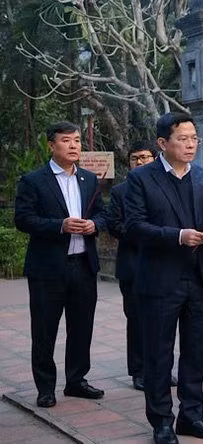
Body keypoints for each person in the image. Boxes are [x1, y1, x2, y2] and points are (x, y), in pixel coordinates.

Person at [125, 112, 203, 444]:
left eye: (194, 138)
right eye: (183, 139)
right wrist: (177, 236)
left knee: (197, 351)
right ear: (162, 143)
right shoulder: (142, 179)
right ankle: (161, 422)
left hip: (200, 277)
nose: (190, 145)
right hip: (160, 279)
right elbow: (134, 227)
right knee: (159, 354)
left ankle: (191, 415)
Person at [14, 121, 107, 409]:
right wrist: (60, 226)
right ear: (52, 145)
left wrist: (94, 224)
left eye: (77, 140)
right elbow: (23, 219)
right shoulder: (34, 180)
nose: (74, 146)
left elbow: (104, 215)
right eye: (66, 141)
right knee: (44, 330)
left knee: (82, 327)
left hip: (83, 265)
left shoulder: (89, 179)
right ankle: (45, 387)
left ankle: (76, 381)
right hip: (48, 268)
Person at [106, 141, 162, 391]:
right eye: (135, 158)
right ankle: (139, 371)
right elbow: (114, 225)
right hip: (134, 265)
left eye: (145, 157)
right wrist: (145, 232)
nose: (140, 162)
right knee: (137, 320)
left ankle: (160, 369)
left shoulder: (163, 185)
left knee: (163, 320)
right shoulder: (120, 191)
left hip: (163, 263)